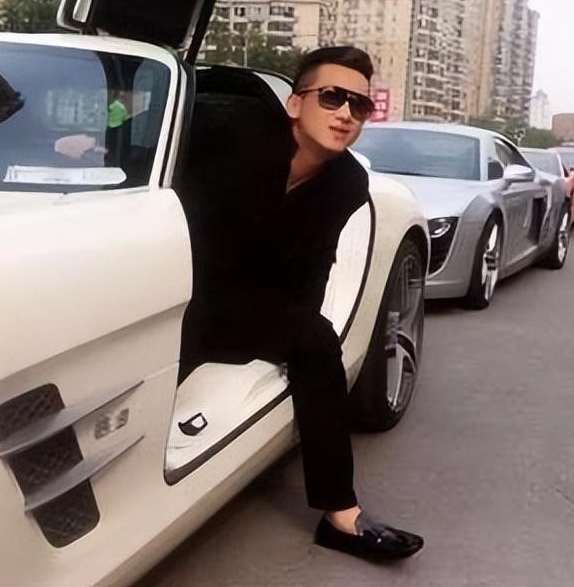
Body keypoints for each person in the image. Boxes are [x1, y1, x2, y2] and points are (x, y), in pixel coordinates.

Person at [178, 46, 423, 561]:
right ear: (295, 104)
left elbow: (314, 267)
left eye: (359, 105)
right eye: (332, 97)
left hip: (242, 301)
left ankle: (340, 515)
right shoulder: (233, 131)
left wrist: (295, 340)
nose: (345, 114)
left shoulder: (348, 182)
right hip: (172, 282)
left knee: (315, 340)